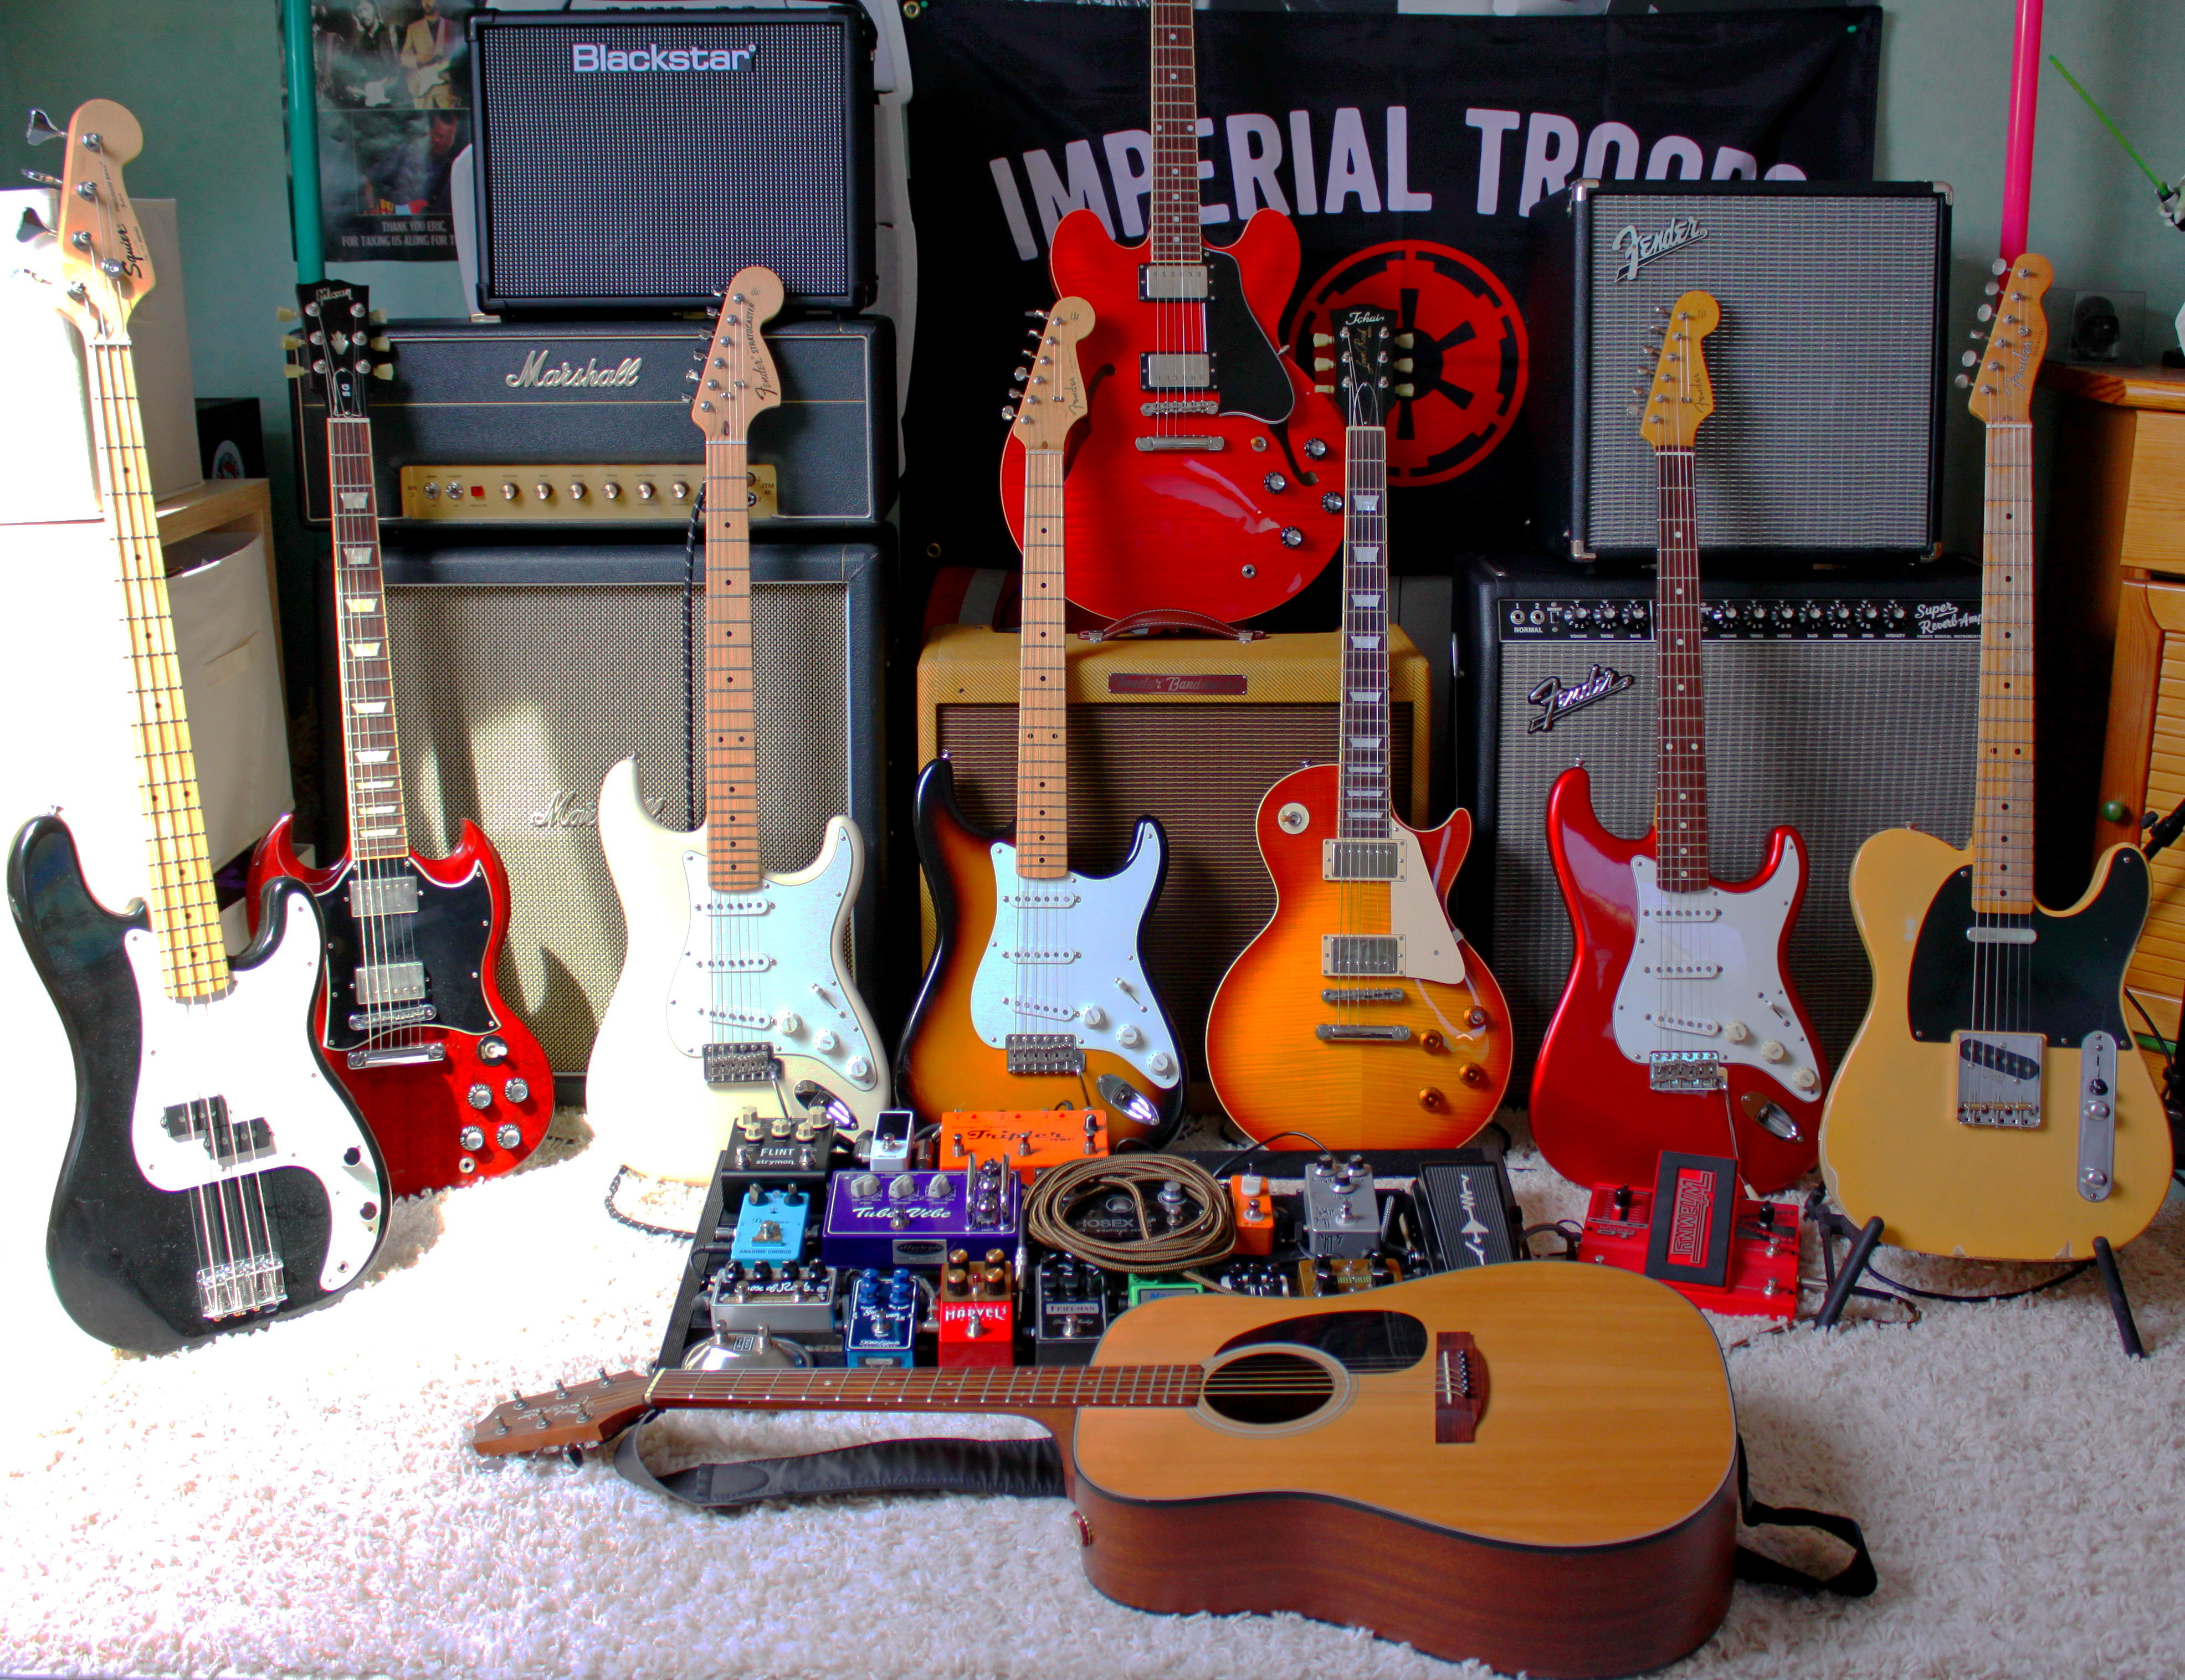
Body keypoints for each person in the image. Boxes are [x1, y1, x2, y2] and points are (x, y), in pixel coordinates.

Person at [401, 0, 462, 110]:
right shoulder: (413, 28)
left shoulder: (453, 27)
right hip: (422, 90)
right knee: (423, 121)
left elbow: (460, 58)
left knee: (449, 120)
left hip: (446, 90)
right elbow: (404, 57)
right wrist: (419, 60)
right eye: (423, 0)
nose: (426, 3)